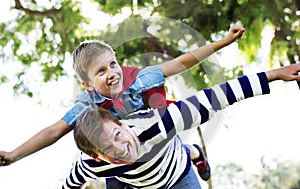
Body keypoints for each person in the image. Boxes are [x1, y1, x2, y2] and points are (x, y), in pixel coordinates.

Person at [0, 26, 244, 186]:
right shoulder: (87, 104)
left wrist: (223, 42)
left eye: (113, 64)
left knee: (177, 150)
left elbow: (181, 63)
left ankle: (195, 153)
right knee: (114, 177)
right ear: (87, 84)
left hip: (155, 134)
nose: (111, 74)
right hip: (121, 152)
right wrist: (13, 155)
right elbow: (54, 131)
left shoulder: (140, 80)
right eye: (101, 72)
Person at [63, 63, 300, 189]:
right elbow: (69, 184)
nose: (121, 148)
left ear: (123, 124)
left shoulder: (157, 123)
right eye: (108, 150)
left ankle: (194, 152)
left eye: (117, 135)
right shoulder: (90, 166)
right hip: (139, 183)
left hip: (178, 174)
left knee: (178, 151)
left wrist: (275, 74)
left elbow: (215, 97)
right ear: (96, 157)